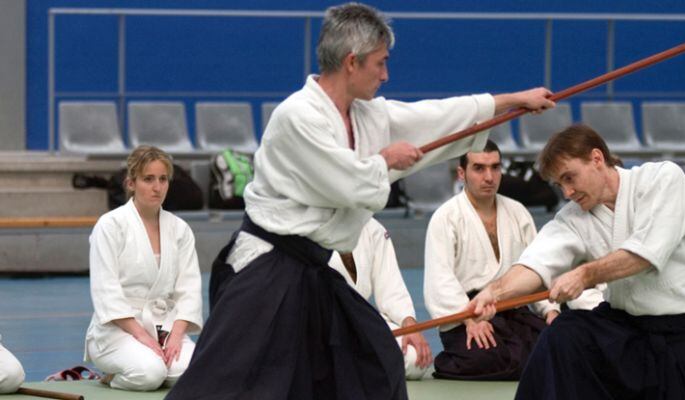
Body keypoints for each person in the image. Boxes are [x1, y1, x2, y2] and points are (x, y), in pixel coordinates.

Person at [168, 3, 554, 399]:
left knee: (374, 363)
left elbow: (430, 117)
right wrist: (385, 160)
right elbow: (345, 181)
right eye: (380, 63)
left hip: (313, 267)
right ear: (352, 62)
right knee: (229, 382)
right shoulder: (297, 116)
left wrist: (509, 102)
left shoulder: (365, 114)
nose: (386, 75)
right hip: (266, 267)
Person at [469, 124, 685, 399]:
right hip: (625, 332)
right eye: (560, 184)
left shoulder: (663, 179)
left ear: (597, 158)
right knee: (565, 334)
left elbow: (645, 255)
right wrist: (494, 292)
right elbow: (536, 262)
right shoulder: (574, 216)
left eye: (570, 178)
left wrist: (583, 275)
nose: (567, 192)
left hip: (684, 340)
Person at [424, 140, 603, 380]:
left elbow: (539, 266)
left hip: (513, 311)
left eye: (495, 167)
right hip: (468, 314)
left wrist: (549, 311)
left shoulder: (518, 212)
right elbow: (440, 278)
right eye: (479, 168)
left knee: (561, 344)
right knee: (488, 356)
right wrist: (469, 320)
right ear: (461, 173)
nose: (489, 176)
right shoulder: (446, 217)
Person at [85, 145, 203, 391]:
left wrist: (176, 336)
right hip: (117, 331)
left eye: (162, 179)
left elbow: (189, 288)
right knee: (150, 373)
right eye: (148, 179)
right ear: (131, 183)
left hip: (164, 326)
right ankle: (111, 375)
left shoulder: (180, 229)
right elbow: (106, 290)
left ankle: (155, 360)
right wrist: (142, 337)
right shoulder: (110, 226)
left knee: (197, 371)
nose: (157, 187)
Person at [328, 218, 432, 380]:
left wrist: (409, 323)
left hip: (361, 324)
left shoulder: (372, 228)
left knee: (414, 359)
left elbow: (391, 287)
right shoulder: (308, 227)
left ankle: (349, 367)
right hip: (322, 326)